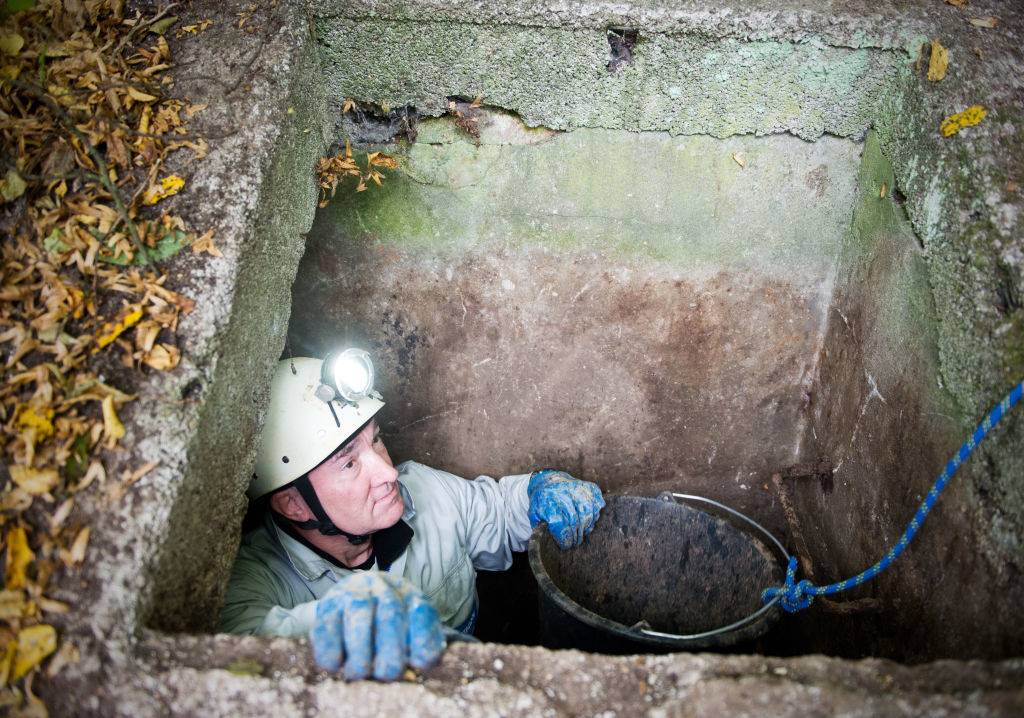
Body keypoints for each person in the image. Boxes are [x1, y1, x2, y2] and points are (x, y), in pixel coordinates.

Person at [219, 354, 605, 681]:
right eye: (350, 463)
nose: (388, 473)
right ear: (293, 505)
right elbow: (237, 649)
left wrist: (538, 489)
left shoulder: (422, 490)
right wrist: (340, 624)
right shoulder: (255, 580)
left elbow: (500, 511)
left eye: (376, 440)